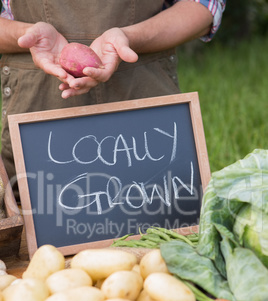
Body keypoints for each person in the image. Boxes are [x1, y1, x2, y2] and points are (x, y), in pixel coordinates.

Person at [0, 0, 226, 188]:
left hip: (145, 96)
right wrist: (26, 35)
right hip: (37, 102)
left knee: (161, 212)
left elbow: (203, 7)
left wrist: (130, 37)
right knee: (34, 223)